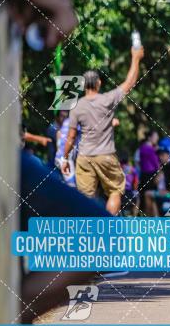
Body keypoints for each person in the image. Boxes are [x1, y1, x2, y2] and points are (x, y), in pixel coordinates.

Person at [61, 46, 144, 214]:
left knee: (85, 197)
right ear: (99, 83)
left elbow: (71, 136)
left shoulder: (76, 106)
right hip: (106, 155)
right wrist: (136, 58)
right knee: (114, 192)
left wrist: (64, 158)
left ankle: (88, 235)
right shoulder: (107, 99)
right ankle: (108, 230)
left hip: (84, 156)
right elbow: (129, 83)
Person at [137, 130, 161, 215]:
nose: (157, 139)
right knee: (150, 196)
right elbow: (156, 163)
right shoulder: (149, 148)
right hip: (150, 174)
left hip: (145, 174)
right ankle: (150, 214)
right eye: (155, 137)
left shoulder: (144, 147)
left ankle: (144, 214)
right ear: (149, 138)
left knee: (145, 196)